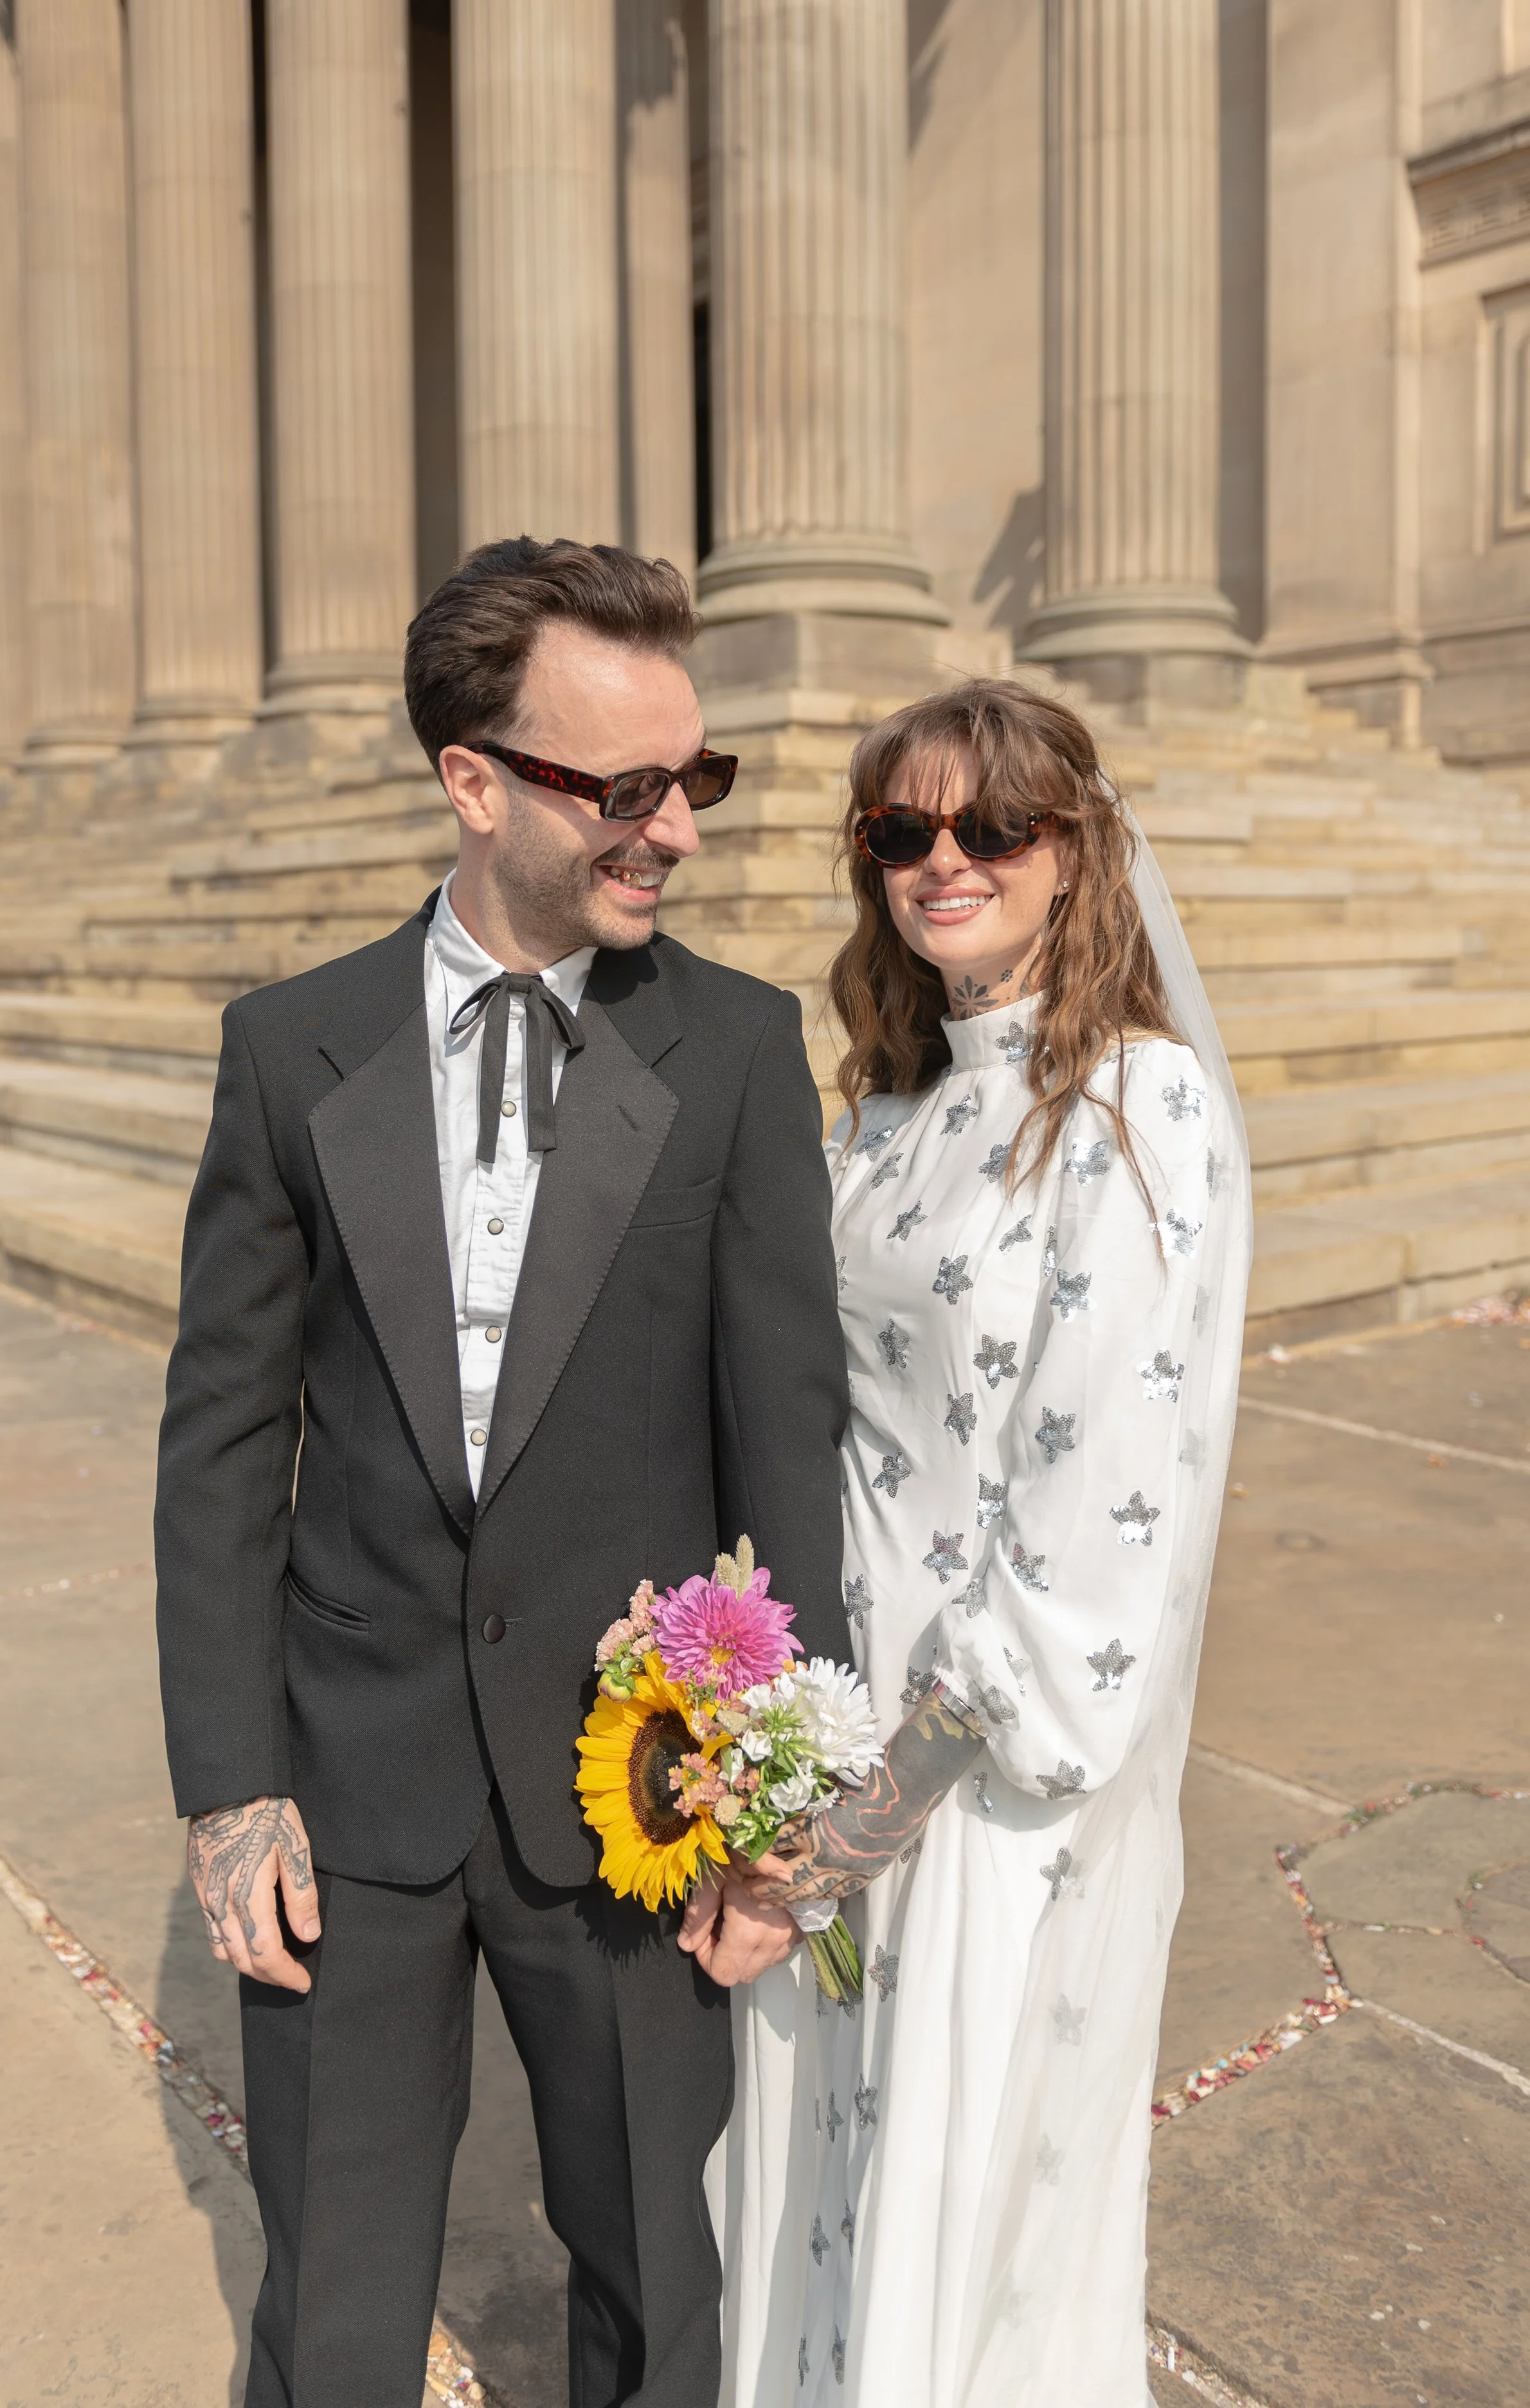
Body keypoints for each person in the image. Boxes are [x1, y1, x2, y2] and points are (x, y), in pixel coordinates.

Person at [154, 536, 849, 2408]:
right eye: (622, 789)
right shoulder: (290, 1047)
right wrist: (230, 1790)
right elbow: (224, 1434)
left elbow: (789, 1442)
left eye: (690, 781)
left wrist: (784, 1810)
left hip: (627, 1790)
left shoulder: (737, 1053)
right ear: (477, 780)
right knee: (338, 2313)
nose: (675, 831)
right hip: (348, 1798)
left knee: (650, 2287)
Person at [703, 680, 1252, 2406]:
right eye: (898, 831)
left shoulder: (1131, 1112)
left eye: (990, 826)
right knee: (818, 2212)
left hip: (985, 1794)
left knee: (969, 2235)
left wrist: (854, 1833)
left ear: (1074, 853)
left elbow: (1093, 1541)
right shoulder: (880, 1111)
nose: (942, 861)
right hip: (841, 1746)